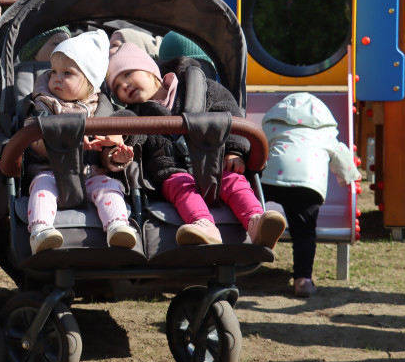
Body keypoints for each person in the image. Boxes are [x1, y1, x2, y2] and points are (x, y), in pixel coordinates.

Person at [107, 45, 287, 249]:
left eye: (128, 74)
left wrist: (234, 150)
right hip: (172, 171)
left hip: (214, 162)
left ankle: (257, 221)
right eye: (117, 87)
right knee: (182, 188)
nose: (124, 85)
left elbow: (228, 112)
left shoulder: (201, 89)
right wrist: (115, 136)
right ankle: (204, 225)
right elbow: (126, 124)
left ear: (151, 71)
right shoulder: (137, 112)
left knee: (235, 181)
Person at [23, 30, 138, 254]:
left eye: (67, 73)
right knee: (41, 188)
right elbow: (31, 140)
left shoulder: (102, 109)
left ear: (89, 81)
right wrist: (67, 143)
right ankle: (40, 230)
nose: (56, 77)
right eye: (54, 71)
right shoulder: (44, 105)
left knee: (111, 187)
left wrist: (115, 157)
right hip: (52, 170)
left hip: (91, 173)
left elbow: (106, 152)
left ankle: (117, 226)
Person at [260, 92, 360, 297]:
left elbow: (258, 147)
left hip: (271, 179)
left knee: (253, 208)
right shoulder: (325, 133)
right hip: (308, 184)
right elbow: (341, 154)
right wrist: (349, 177)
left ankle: (254, 233)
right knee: (304, 231)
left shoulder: (273, 126)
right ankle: (303, 280)